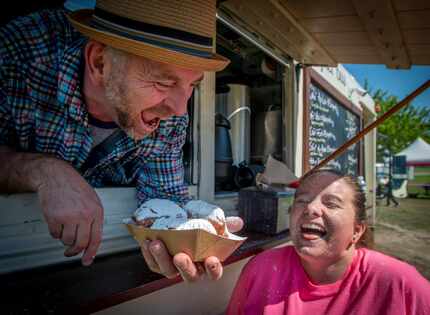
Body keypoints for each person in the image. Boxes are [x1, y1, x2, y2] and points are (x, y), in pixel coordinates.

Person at [0, 0, 242, 282]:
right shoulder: (20, 53)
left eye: (193, 85)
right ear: (99, 62)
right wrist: (43, 170)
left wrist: (184, 240)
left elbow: (163, 199)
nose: (179, 109)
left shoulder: (172, 119)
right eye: (163, 83)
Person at [226, 169, 430, 314]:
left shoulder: (401, 284)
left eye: (331, 203)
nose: (310, 208)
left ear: (357, 231)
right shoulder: (260, 269)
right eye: (302, 200)